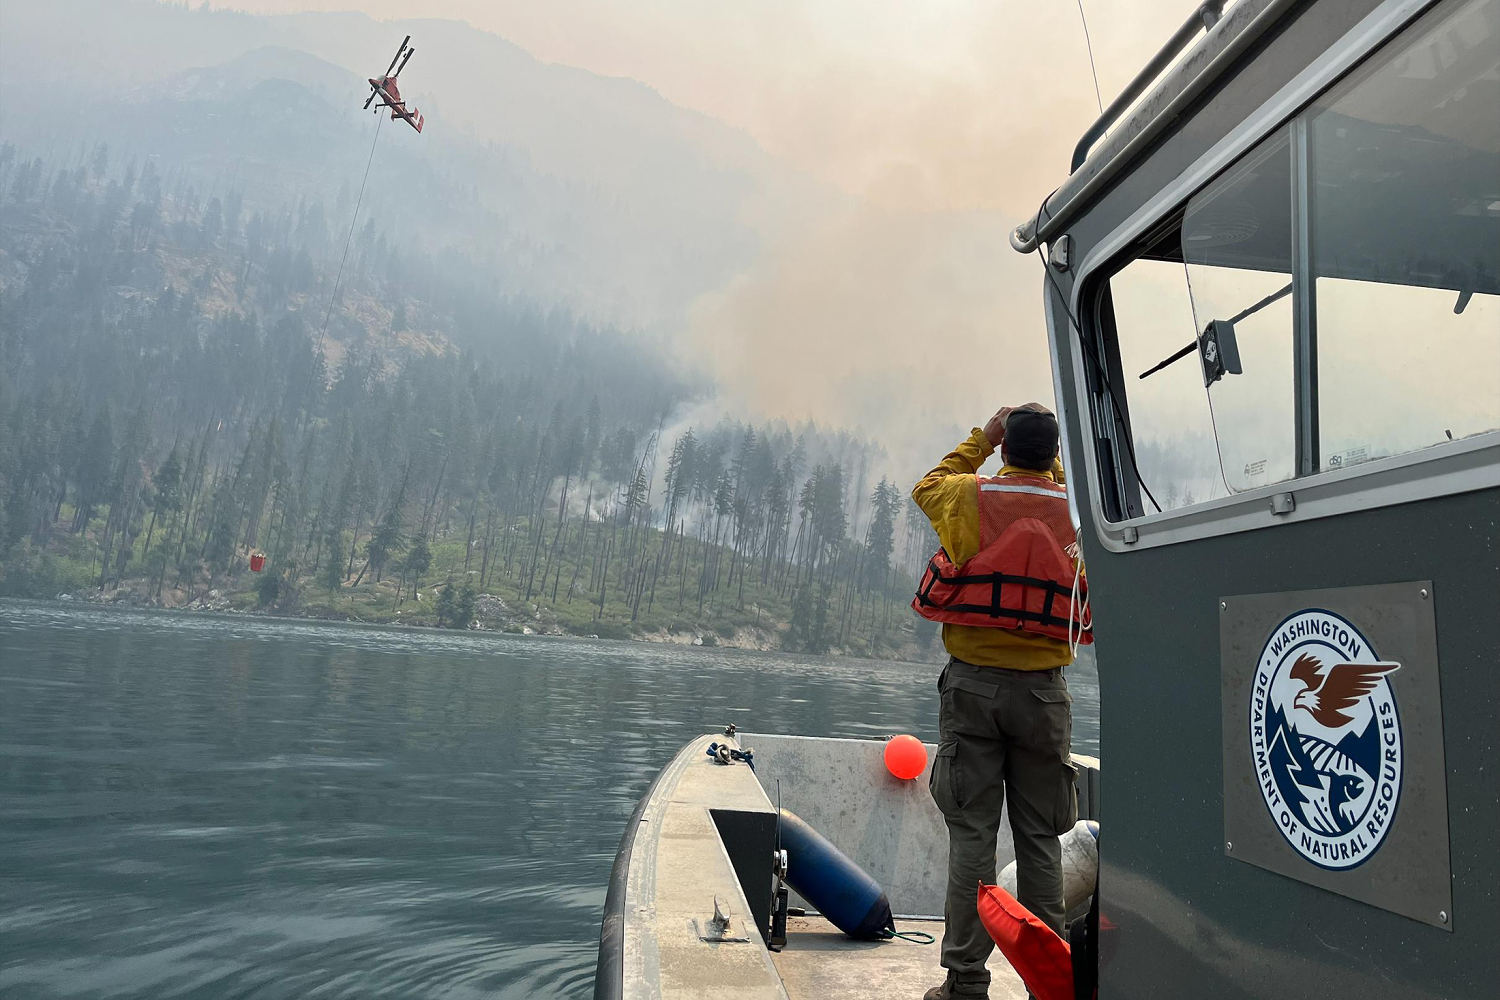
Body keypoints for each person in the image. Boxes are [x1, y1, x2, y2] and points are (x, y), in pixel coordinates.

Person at [911, 403, 1089, 1000]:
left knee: (972, 840)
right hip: (1044, 697)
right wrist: (1041, 457)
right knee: (1040, 840)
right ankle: (1052, 987)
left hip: (972, 690)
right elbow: (1052, 486)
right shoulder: (1074, 509)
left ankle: (964, 983)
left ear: (1005, 448)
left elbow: (926, 486)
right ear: (1052, 455)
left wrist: (981, 439)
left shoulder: (971, 496)